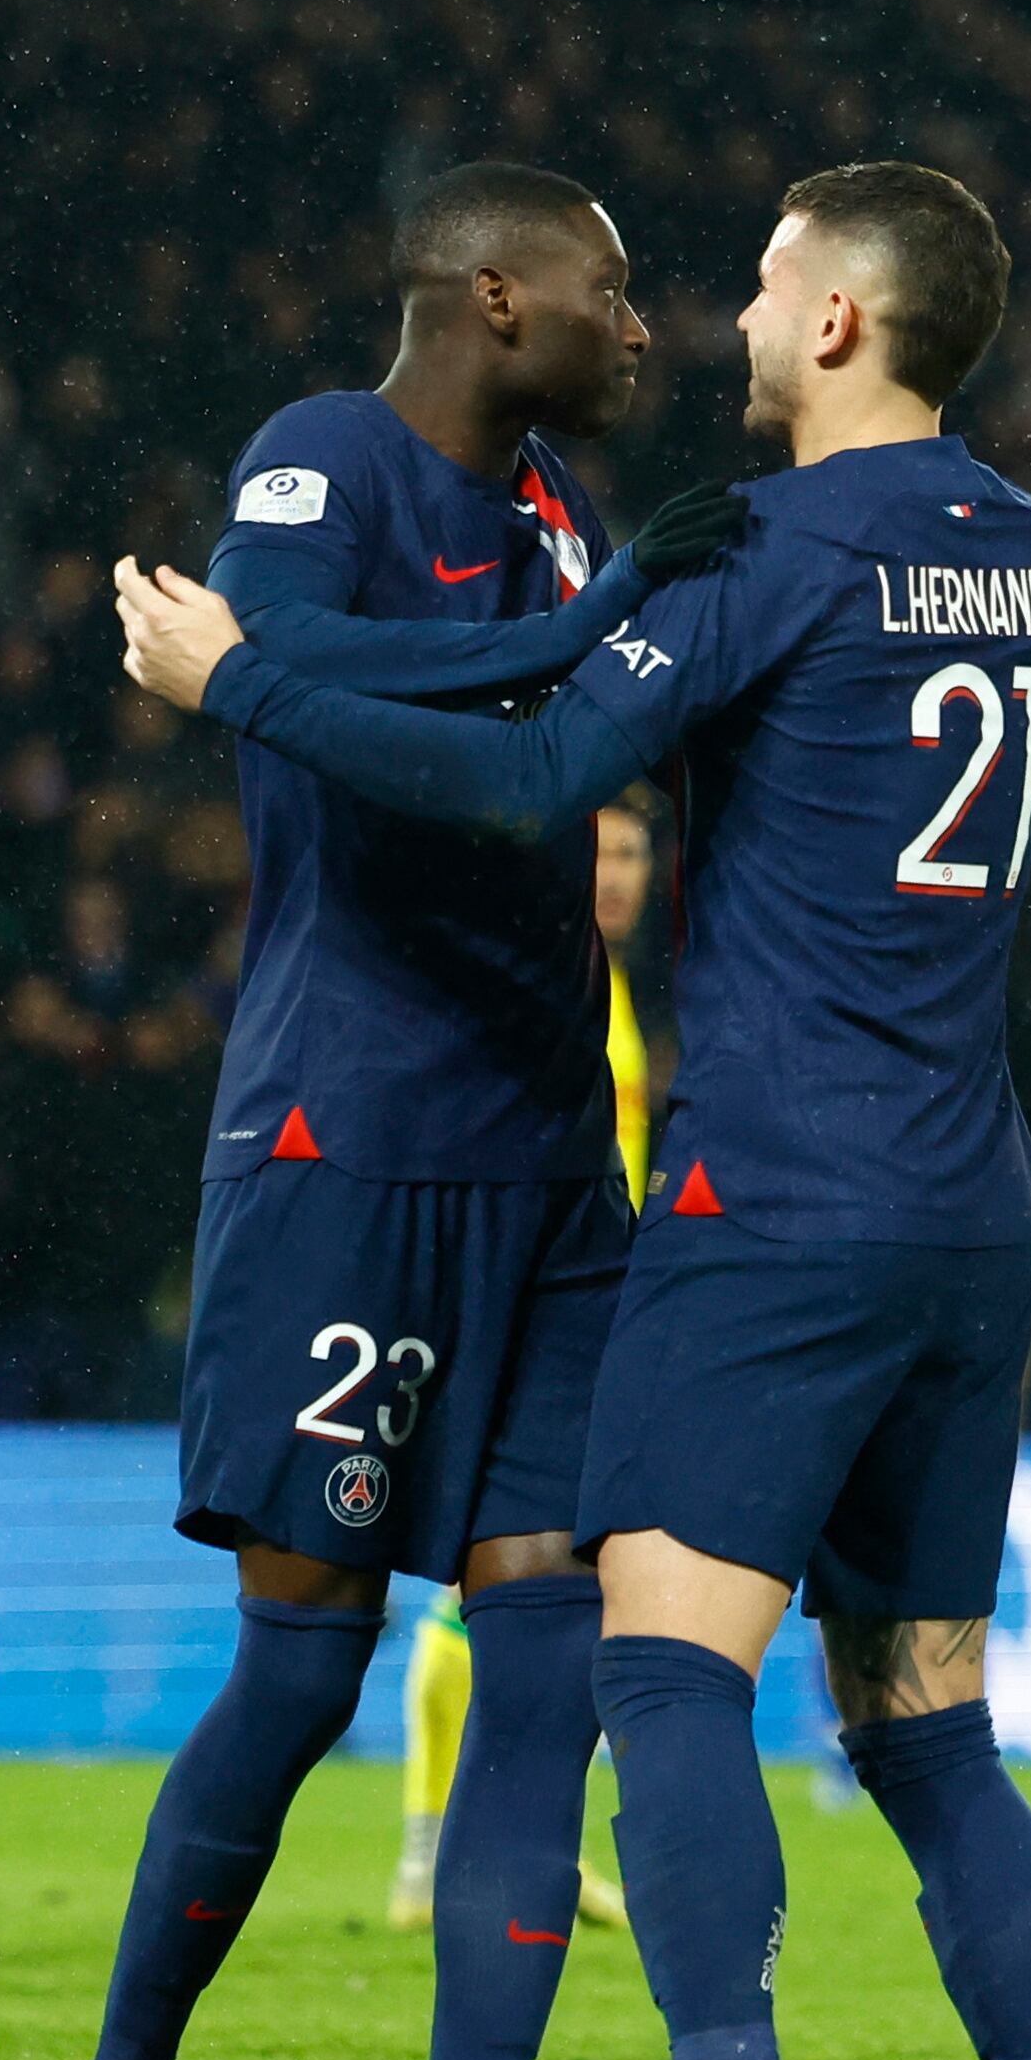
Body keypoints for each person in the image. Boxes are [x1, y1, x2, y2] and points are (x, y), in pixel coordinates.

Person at [122, 161, 1031, 2060]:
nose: (713, 325)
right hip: (971, 1206)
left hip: (767, 1203)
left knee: (655, 1684)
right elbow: (1015, 730)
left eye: (752, 286)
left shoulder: (765, 541)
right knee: (925, 1724)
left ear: (835, 320)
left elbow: (537, 773)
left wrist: (234, 679)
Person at [55, 161, 745, 2060]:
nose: (643, 330)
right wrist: (590, 628)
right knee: (303, 1664)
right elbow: (274, 663)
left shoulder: (562, 515)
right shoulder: (320, 460)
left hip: (551, 1156)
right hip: (347, 1135)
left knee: (543, 1659)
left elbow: (546, 734)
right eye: (613, 293)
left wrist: (619, 614)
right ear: (498, 295)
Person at [395, 793, 666, 1937]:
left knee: (565, 1588)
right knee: (492, 1586)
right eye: (598, 848)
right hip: (526, 1300)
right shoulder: (540, 976)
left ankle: (504, 1843)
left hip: (605, 1304)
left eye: (633, 852)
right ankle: (432, 1853)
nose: (614, 872)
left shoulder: (615, 990)